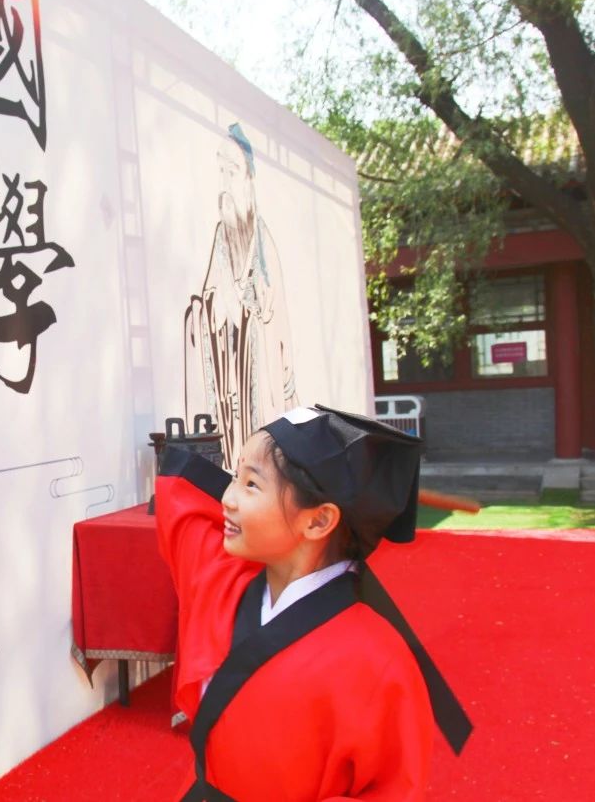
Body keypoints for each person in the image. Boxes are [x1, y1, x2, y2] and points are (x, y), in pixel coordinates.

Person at [156, 405, 470, 801]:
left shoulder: (378, 659)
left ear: (319, 521)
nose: (227, 499)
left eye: (251, 484)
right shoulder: (221, 582)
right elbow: (180, 499)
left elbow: (393, 791)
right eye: (233, 476)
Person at [183, 123, 298, 469]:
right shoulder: (222, 236)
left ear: (249, 180)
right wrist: (210, 310)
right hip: (227, 378)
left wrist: (242, 309)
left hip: (257, 382)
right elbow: (208, 302)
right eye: (220, 171)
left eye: (231, 171)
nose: (224, 182)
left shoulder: (263, 245)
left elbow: (273, 322)